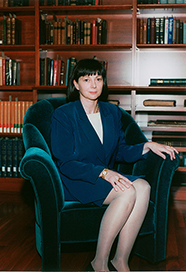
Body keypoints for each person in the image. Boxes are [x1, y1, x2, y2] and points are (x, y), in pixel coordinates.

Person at [50, 58, 178, 271]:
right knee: (128, 192)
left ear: (103, 82)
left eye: (98, 79)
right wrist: (104, 172)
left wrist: (146, 146)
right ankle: (99, 262)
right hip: (78, 180)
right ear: (75, 84)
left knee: (144, 187)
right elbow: (65, 163)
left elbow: (119, 151)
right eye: (86, 79)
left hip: (106, 177)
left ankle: (120, 260)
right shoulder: (63, 115)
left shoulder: (111, 112)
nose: (93, 85)